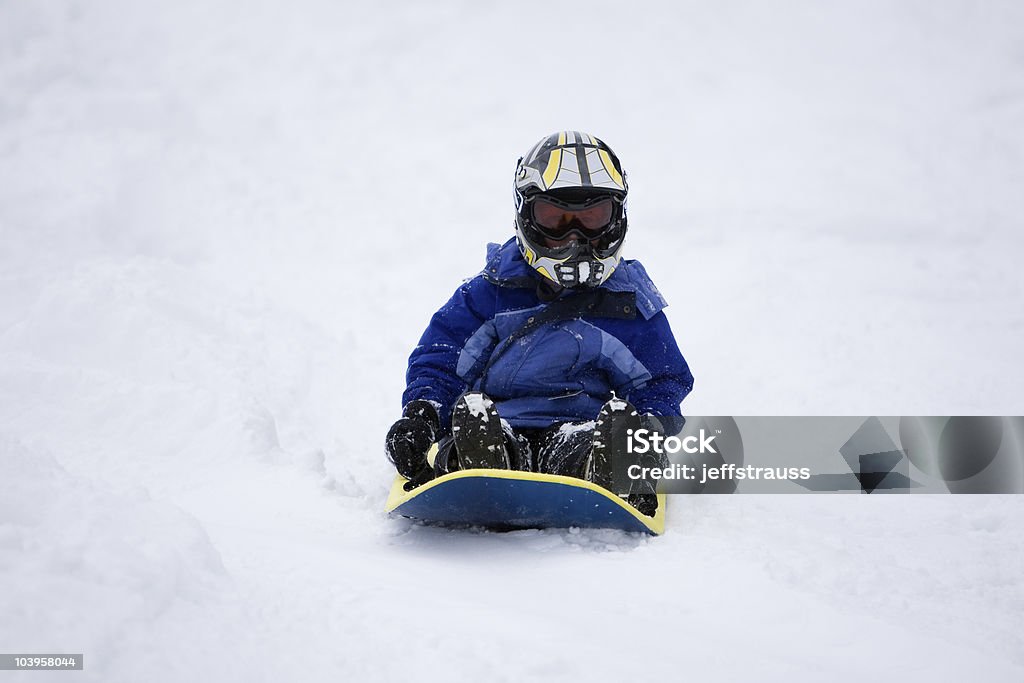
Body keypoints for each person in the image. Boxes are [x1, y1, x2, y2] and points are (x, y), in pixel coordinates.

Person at [385, 131, 693, 514]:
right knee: (475, 433)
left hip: (580, 428)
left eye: (592, 219)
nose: (574, 238)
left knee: (582, 449)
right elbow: (442, 356)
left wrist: (650, 429)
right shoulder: (492, 292)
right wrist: (423, 414)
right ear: (525, 215)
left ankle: (606, 464)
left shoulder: (627, 304)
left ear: (617, 219)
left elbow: (662, 378)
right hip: (497, 421)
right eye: (555, 219)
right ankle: (476, 461)